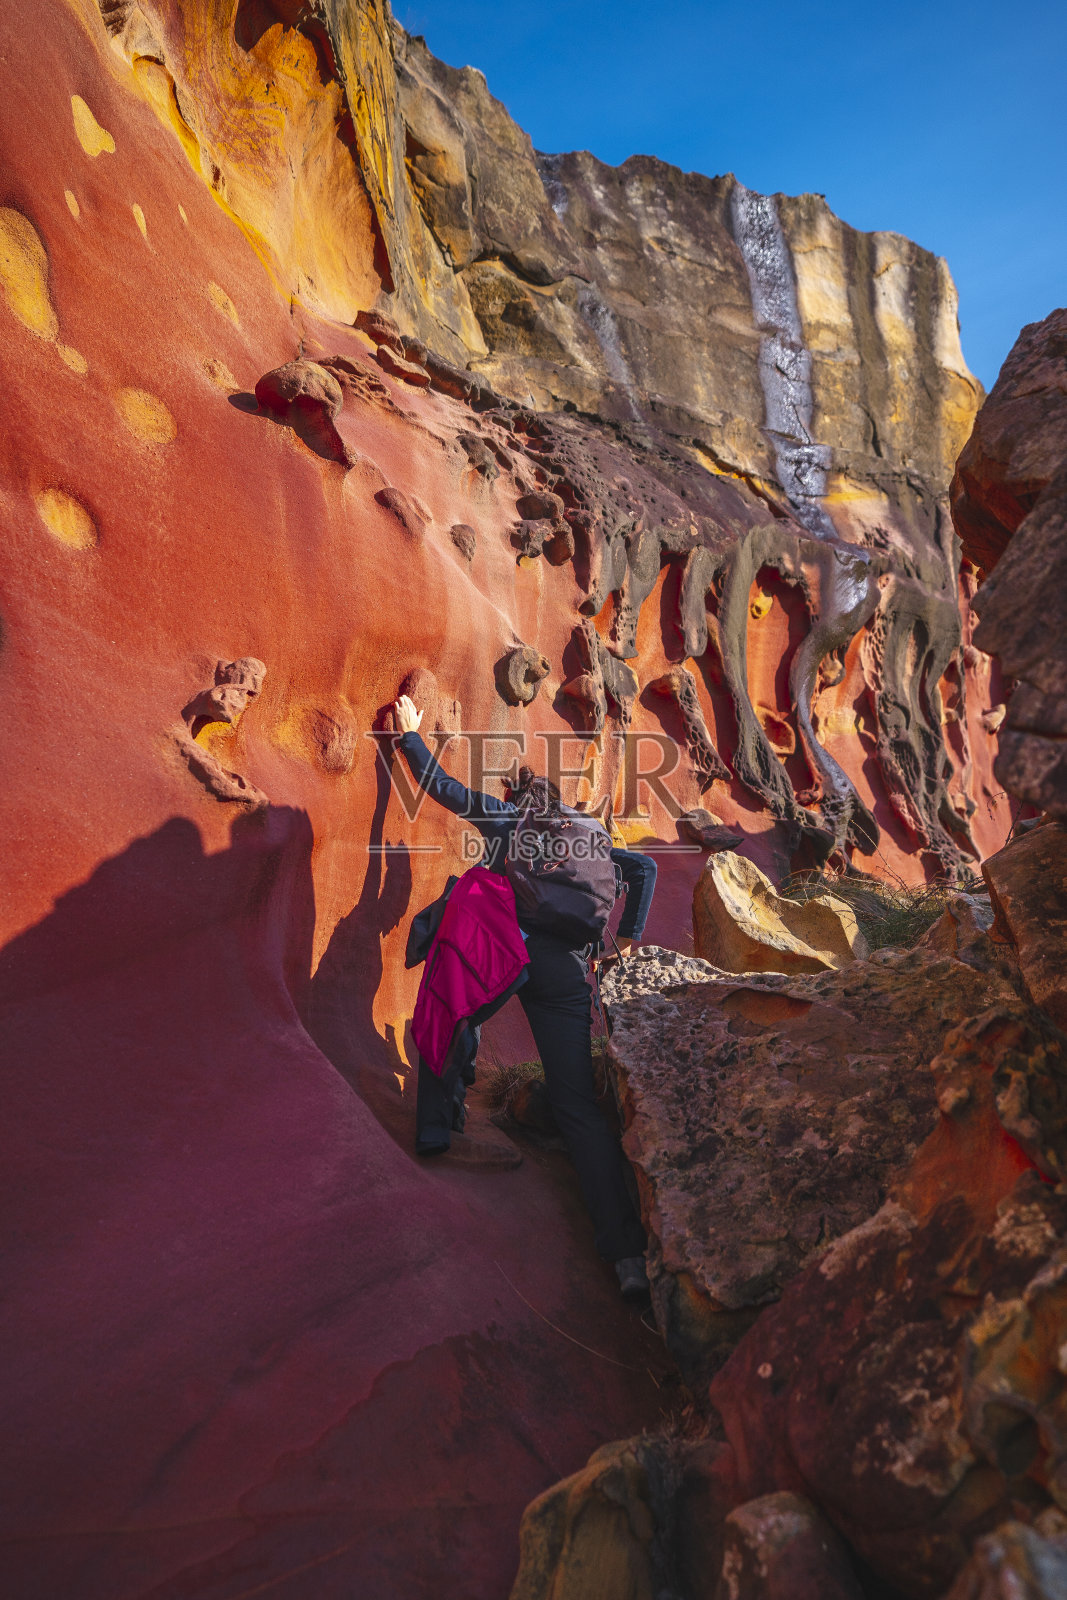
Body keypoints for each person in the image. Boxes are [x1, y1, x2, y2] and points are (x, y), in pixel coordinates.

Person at [393, 694, 657, 1298]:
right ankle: (626, 1258)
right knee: (576, 1107)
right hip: (565, 971)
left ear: (519, 802)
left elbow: (445, 790)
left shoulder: (510, 821)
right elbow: (645, 868)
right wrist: (630, 941)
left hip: (505, 948)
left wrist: (409, 736)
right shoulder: (590, 837)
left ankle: (438, 1130)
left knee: (451, 1009)